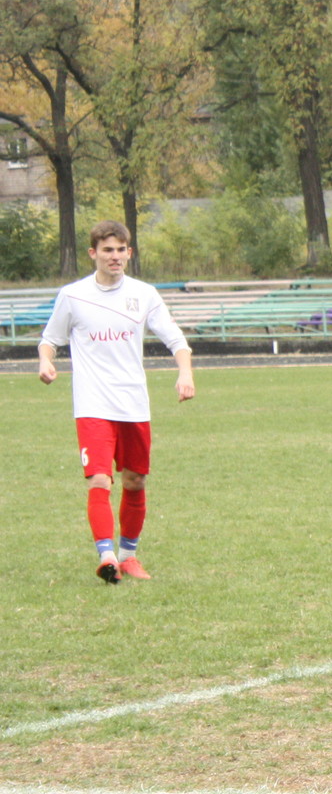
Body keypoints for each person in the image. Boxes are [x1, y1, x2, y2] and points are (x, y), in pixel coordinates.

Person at [37, 220, 195, 583]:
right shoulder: (73, 295)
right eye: (107, 250)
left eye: (121, 249)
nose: (115, 256)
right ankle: (106, 556)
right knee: (98, 480)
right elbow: (50, 338)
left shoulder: (144, 294)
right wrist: (46, 360)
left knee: (135, 480)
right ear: (93, 253)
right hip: (92, 404)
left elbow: (175, 338)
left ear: (129, 253)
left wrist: (185, 373)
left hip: (133, 403)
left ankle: (129, 556)